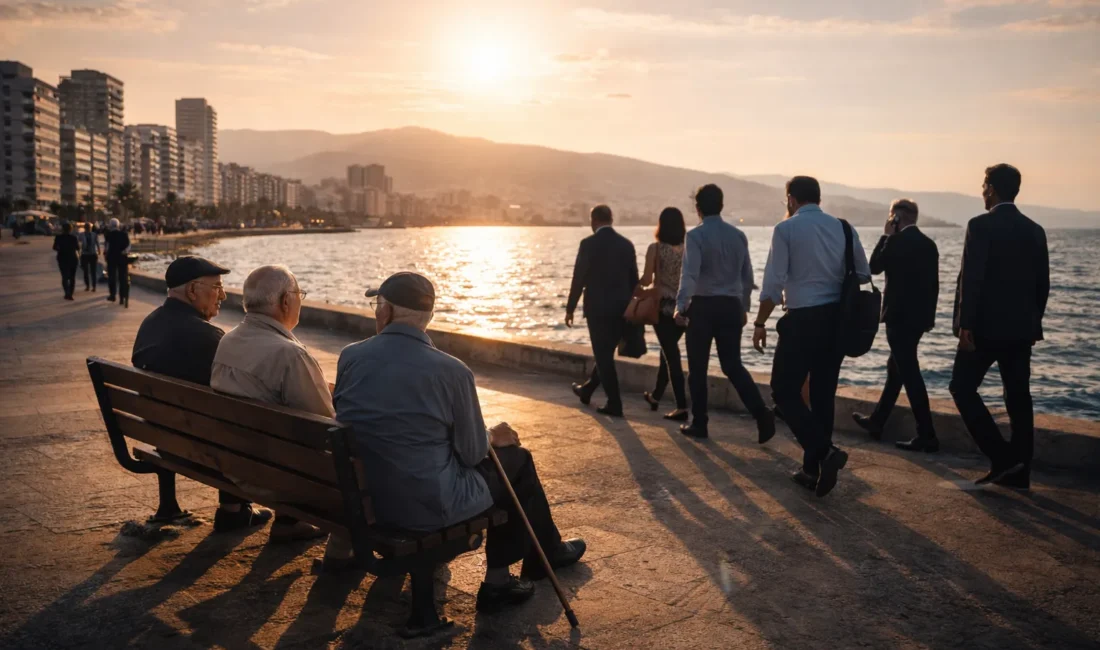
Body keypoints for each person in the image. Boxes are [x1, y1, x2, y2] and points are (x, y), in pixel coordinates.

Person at [336, 272, 586, 614]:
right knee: (517, 459)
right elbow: (470, 455)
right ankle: (504, 578)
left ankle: (549, 549)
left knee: (495, 457)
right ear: (428, 317)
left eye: (377, 304)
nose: (375, 311)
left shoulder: (351, 357)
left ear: (388, 311)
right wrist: (490, 436)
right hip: (424, 508)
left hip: (366, 499)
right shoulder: (452, 371)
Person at [132, 256, 273, 531]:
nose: (222, 294)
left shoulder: (151, 323)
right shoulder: (206, 337)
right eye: (217, 286)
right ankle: (244, 512)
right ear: (192, 291)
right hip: (205, 447)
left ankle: (232, 508)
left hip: (165, 437)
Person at [752, 176, 871, 497]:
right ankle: (811, 469)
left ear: (790, 199)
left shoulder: (786, 229)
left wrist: (760, 322)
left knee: (783, 391)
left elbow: (773, 284)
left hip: (802, 319)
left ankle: (824, 452)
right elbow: (863, 273)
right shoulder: (844, 228)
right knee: (821, 395)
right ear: (818, 198)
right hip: (836, 321)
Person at [211, 265, 331, 542]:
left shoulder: (228, 340)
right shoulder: (289, 354)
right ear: (286, 301)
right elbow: (324, 426)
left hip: (236, 462)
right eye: (300, 293)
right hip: (278, 474)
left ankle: (289, 522)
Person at [950, 164, 1049, 489]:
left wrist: (965, 326)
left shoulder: (980, 225)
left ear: (991, 188)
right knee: (1018, 395)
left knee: (961, 388)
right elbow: (1042, 285)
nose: (981, 191)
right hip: (1022, 329)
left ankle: (1003, 458)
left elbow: (973, 278)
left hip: (984, 328)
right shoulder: (1035, 230)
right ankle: (1020, 472)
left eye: (983, 185)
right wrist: (1034, 323)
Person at [674, 185, 774, 441]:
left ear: (698, 208)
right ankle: (762, 415)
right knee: (733, 366)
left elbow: (690, 274)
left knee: (698, 368)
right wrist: (744, 307)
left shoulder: (695, 236)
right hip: (730, 306)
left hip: (703, 306)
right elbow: (747, 277)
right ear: (721, 204)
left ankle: (700, 423)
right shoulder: (738, 235)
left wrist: (680, 306)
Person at [852, 199, 940, 451]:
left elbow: (873, 268)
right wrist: (929, 319)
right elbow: (934, 286)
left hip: (898, 318)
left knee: (909, 373)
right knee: (897, 370)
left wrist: (885, 236)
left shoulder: (895, 241)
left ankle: (927, 435)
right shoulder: (928, 244)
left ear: (896, 218)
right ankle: (877, 421)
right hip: (918, 320)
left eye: (891, 217)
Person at [565, 205, 639, 417]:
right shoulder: (626, 245)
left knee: (603, 355)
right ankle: (587, 390)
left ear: (594, 220)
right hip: (622, 309)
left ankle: (614, 403)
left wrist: (570, 308)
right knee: (605, 353)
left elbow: (579, 278)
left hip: (597, 309)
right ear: (611, 219)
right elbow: (634, 279)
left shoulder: (588, 244)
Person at [639, 208, 689, 421]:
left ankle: (682, 406)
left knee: (671, 355)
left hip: (663, 309)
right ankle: (656, 396)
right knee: (667, 351)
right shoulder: (689, 249)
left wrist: (634, 285)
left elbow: (646, 278)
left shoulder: (655, 249)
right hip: (685, 309)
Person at [104, 218, 131, 307]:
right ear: (118, 225)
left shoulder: (108, 235)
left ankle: (112, 295)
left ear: (110, 225)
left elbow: (107, 247)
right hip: (122, 258)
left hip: (111, 258)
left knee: (112, 277)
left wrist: (106, 255)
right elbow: (128, 246)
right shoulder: (124, 234)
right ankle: (122, 297)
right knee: (122, 278)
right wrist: (124, 252)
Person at [52, 222, 80, 301]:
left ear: (62, 229)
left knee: (64, 276)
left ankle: (67, 293)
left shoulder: (58, 237)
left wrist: (60, 249)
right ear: (70, 229)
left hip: (62, 258)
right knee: (72, 277)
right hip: (72, 259)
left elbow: (54, 247)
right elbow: (78, 248)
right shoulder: (73, 238)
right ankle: (70, 293)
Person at [79, 222, 100, 292]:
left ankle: (94, 286)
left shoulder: (94, 235)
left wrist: (99, 251)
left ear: (91, 228)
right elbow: (78, 243)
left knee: (93, 271)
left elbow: (97, 243)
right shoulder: (81, 235)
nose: (88, 228)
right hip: (84, 254)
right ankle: (87, 285)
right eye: (87, 227)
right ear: (85, 228)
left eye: (89, 227)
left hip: (92, 254)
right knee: (85, 271)